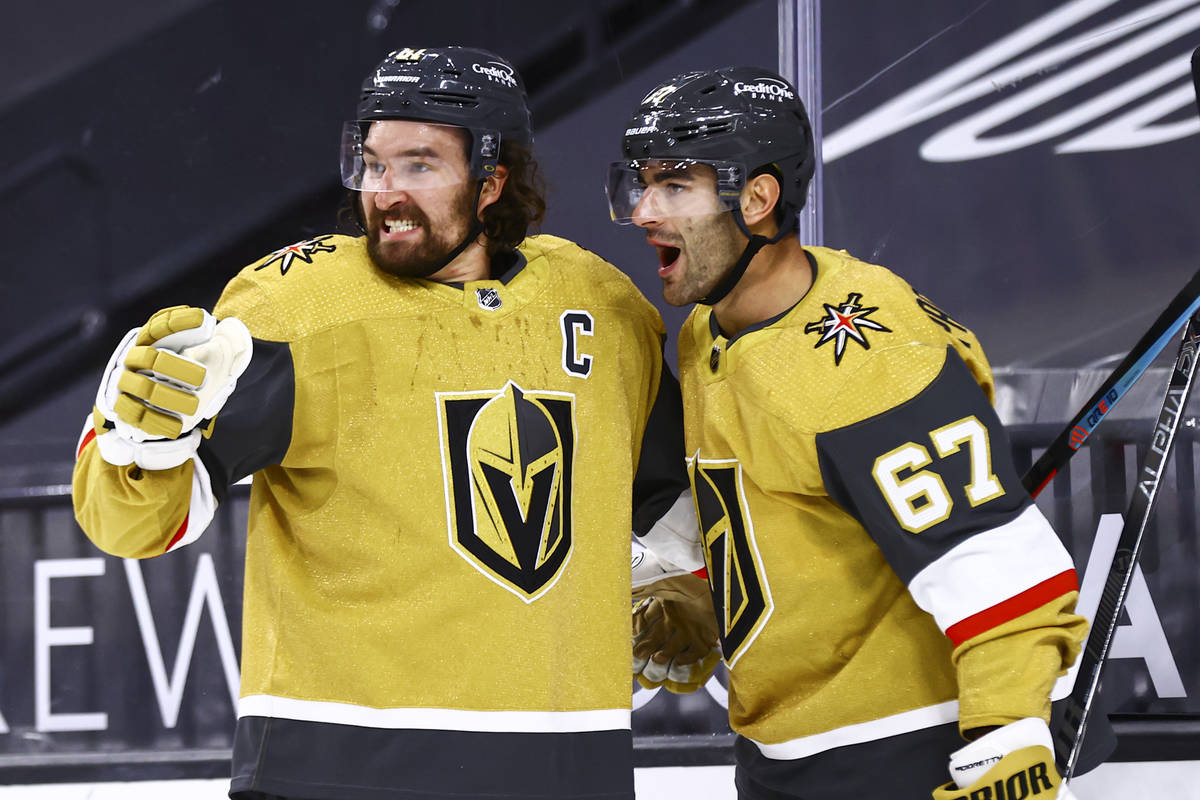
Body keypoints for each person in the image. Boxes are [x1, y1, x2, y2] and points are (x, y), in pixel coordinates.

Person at [72, 46, 706, 800]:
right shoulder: (298, 310)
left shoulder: (599, 307)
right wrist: (137, 438)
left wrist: (692, 588)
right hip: (335, 774)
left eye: (419, 165)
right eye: (372, 163)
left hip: (562, 768)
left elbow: (671, 501)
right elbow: (134, 525)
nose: (385, 192)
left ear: (492, 179)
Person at [607, 66, 1089, 800]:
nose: (643, 210)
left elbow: (996, 564)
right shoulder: (712, 326)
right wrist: (699, 588)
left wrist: (1008, 737)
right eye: (641, 183)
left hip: (905, 751)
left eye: (674, 186)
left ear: (758, 199)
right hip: (783, 752)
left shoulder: (862, 358)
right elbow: (775, 504)